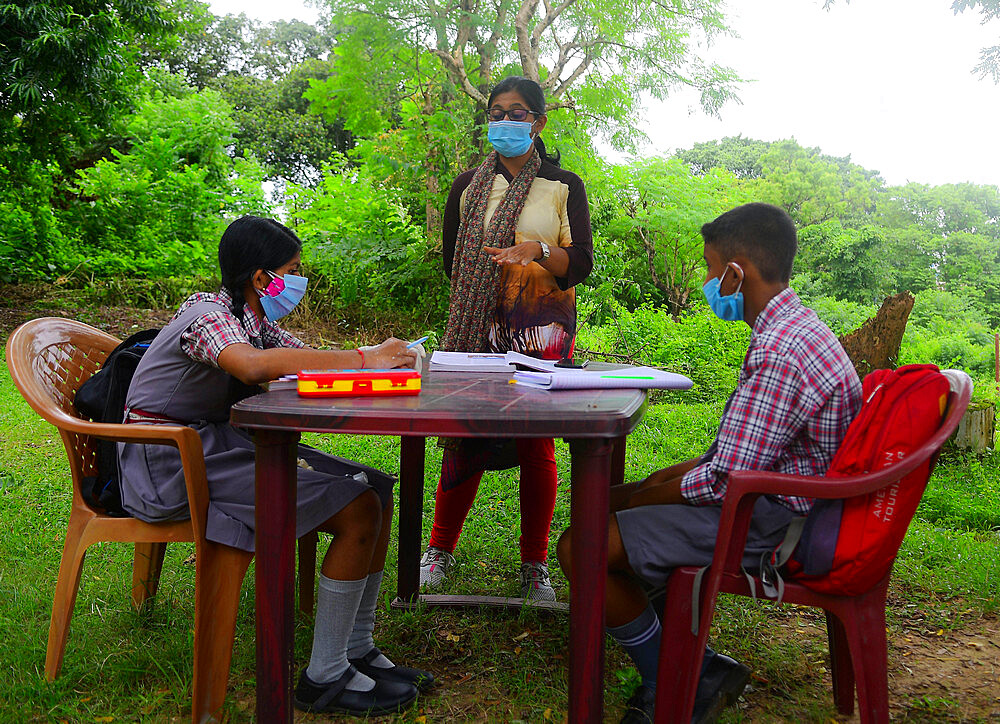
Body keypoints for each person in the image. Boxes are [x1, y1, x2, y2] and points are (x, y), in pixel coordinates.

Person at [556, 203, 863, 724]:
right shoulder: (795, 327)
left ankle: (683, 680)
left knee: (580, 545)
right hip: (781, 499)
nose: (706, 280)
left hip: (774, 521)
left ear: (735, 272)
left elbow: (723, 481)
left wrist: (638, 499)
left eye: (708, 268)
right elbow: (737, 454)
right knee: (617, 505)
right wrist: (643, 488)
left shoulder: (781, 350)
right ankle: (693, 661)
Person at [117, 215, 431, 717]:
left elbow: (292, 355)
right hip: (169, 464)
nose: (299, 280)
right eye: (293, 269)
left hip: (215, 447)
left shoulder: (250, 316)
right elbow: (252, 366)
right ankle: (324, 678)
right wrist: (366, 355)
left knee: (375, 486)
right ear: (263, 277)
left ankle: (356, 648)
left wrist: (374, 361)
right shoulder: (209, 314)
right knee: (359, 508)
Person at [419, 76, 594, 601]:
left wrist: (537, 252)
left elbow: (580, 263)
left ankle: (534, 564)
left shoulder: (564, 185)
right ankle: (439, 549)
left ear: (538, 122)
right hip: (477, 331)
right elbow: (455, 264)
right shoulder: (467, 187)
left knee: (534, 439)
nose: (505, 121)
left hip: (541, 332)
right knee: (464, 435)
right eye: (497, 112)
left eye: (517, 113)